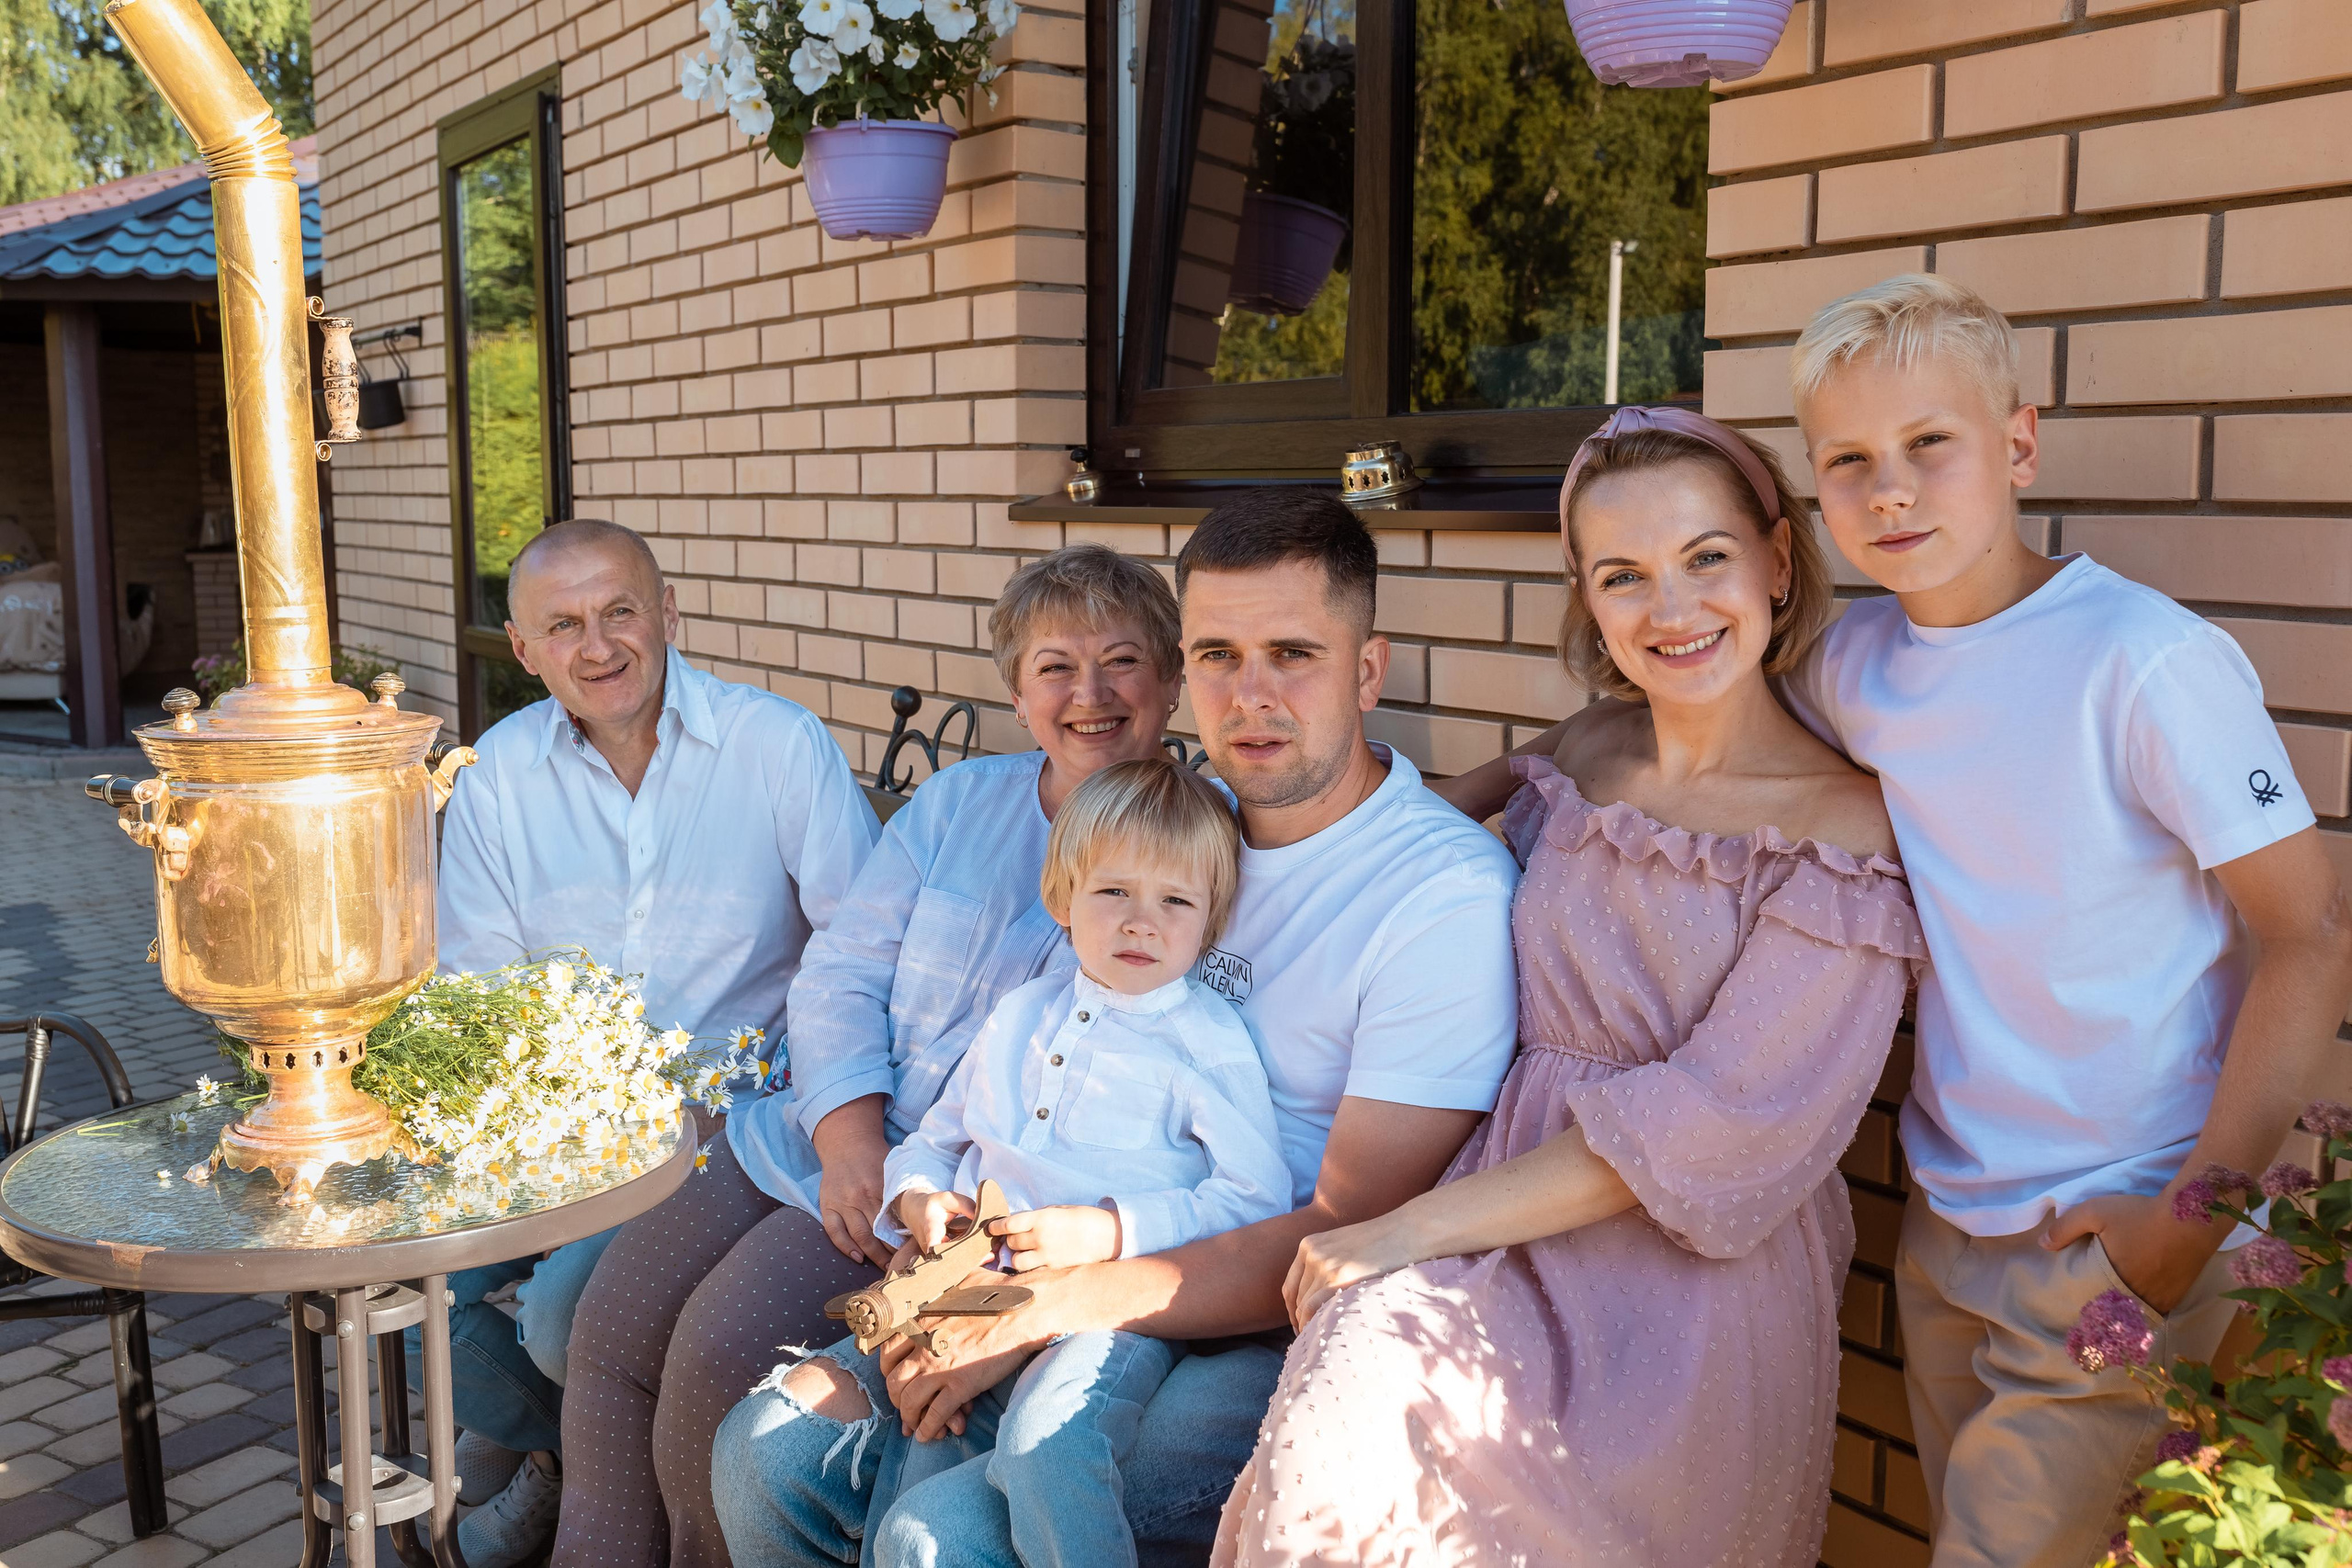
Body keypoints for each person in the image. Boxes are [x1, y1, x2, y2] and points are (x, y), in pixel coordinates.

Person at [709, 489, 1524, 1568]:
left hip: (1247, 1308)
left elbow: (1341, 1226)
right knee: (760, 1452)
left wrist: (1039, 1306)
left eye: (1293, 653)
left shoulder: (1442, 896)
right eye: (1221, 655)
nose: (1253, 695)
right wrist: (944, 1212)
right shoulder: (1182, 828)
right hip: (1038, 1242)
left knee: (929, 1538)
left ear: (1367, 670)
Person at [1201, 408, 1919, 1565]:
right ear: (1586, 597)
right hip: (1490, 1205)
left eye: (1707, 559)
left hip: (1680, 1277)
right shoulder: (1586, 747)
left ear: (1778, 561)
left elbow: (1720, 1125)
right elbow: (1385, 843)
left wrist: (1403, 1229)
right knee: (1332, 1469)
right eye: (1624, 576)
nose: (1672, 611)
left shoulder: (1841, 832)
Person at [1770, 274, 2352, 1566]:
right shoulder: (1853, 667)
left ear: (2019, 442)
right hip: (1946, 1224)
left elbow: (2310, 930)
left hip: (2121, 1227)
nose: (1893, 490)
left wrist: (2188, 1220)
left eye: (1933, 443)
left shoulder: (2143, 661)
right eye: (1849, 461)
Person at [553, 544, 1188, 1568]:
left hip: (943, 1205)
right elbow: (840, 973)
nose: (1090, 694)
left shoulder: (1196, 852)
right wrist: (849, 1141)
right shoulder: (959, 806)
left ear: (1168, 681)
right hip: (824, 1136)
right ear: (1018, 692)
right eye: (1054, 668)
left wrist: (926, 1198)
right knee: (608, 1329)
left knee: (711, 1361)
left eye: (1122, 662)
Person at [426, 517, 879, 1568]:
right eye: (565, 625)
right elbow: (481, 986)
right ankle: (542, 1446)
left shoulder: (775, 745)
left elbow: (857, 954)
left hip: (731, 1120)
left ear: (668, 613)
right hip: (558, 1117)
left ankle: (547, 1466)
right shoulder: (499, 772)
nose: (599, 647)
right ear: (523, 646)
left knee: (552, 1320)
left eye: (621, 612)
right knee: (403, 1293)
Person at [732, 755, 1291, 1568]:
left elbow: (1254, 1197)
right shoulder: (1021, 1014)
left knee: (1048, 1441)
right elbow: (937, 1136)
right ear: (1062, 898)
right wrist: (919, 1195)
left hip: (1106, 1306)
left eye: (1176, 901)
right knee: (926, 1427)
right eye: (1114, 893)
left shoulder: (1206, 1042)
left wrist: (1109, 1229)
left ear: (1210, 921)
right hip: (972, 1278)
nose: (1143, 922)